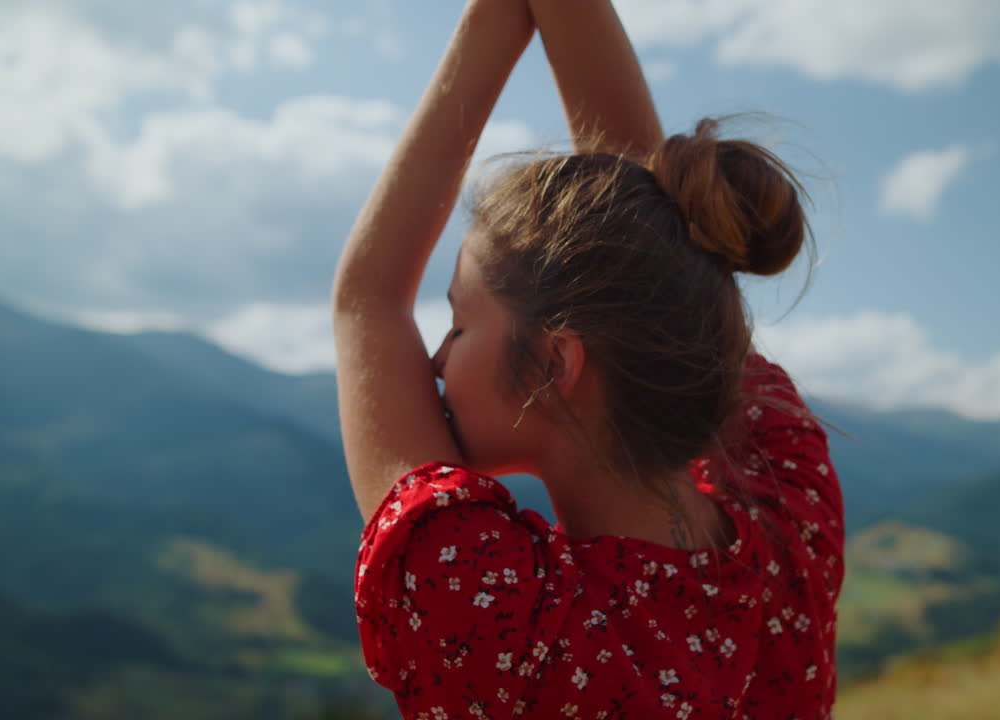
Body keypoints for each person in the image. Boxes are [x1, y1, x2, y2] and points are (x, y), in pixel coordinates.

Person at [332, 0, 845, 717]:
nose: (438, 362)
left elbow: (369, 299)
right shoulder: (794, 514)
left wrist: (490, 24)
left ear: (552, 366)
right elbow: (662, 260)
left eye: (457, 323)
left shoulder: (503, 616)